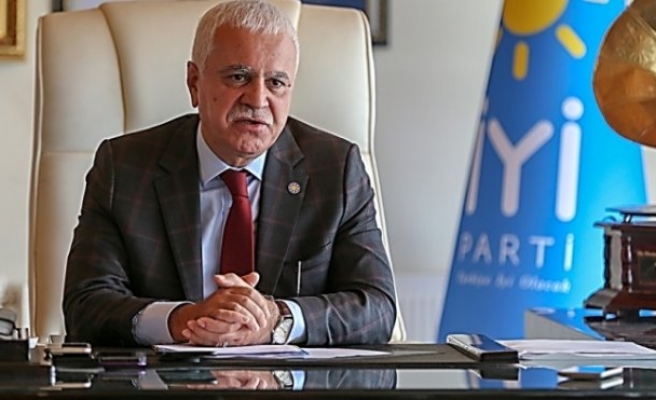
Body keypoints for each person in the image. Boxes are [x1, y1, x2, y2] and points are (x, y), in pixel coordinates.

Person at [63, 0, 396, 347]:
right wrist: (183, 319)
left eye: (276, 82)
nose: (258, 99)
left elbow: (377, 307)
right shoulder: (124, 168)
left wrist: (277, 319)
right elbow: (85, 306)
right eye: (239, 77)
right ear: (194, 83)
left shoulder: (335, 170)